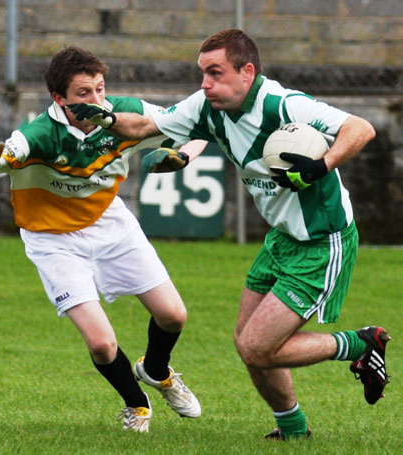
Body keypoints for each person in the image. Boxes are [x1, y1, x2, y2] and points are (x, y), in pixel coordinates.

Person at [67, 30, 391, 440]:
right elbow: (146, 124)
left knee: (258, 347)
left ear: (247, 72)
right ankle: (293, 430)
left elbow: (360, 129)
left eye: (215, 73)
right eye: (202, 73)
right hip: (281, 239)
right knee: (246, 343)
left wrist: (319, 166)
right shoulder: (207, 106)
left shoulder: (283, 104)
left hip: (321, 242)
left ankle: (360, 345)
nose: (205, 83)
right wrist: (110, 119)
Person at [0, 46, 204, 433]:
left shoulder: (125, 112)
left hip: (109, 223)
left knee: (174, 315)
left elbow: (198, 125)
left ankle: (157, 372)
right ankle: (136, 404)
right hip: (52, 239)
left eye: (100, 89)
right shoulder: (39, 134)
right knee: (101, 344)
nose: (96, 100)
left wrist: (184, 157)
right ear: (59, 99)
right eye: (83, 93)